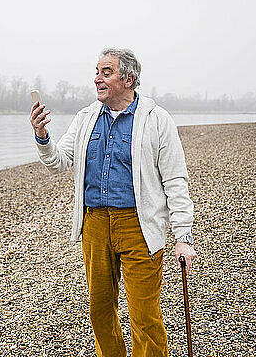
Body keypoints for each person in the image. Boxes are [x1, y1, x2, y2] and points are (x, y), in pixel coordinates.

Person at [29, 48, 196, 357]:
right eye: (97, 72)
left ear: (128, 79)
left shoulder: (157, 120)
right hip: (94, 224)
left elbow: (176, 180)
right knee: (100, 311)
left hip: (139, 225)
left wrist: (183, 237)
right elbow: (58, 161)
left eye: (106, 72)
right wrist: (41, 135)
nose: (97, 79)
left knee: (144, 316)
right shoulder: (85, 118)